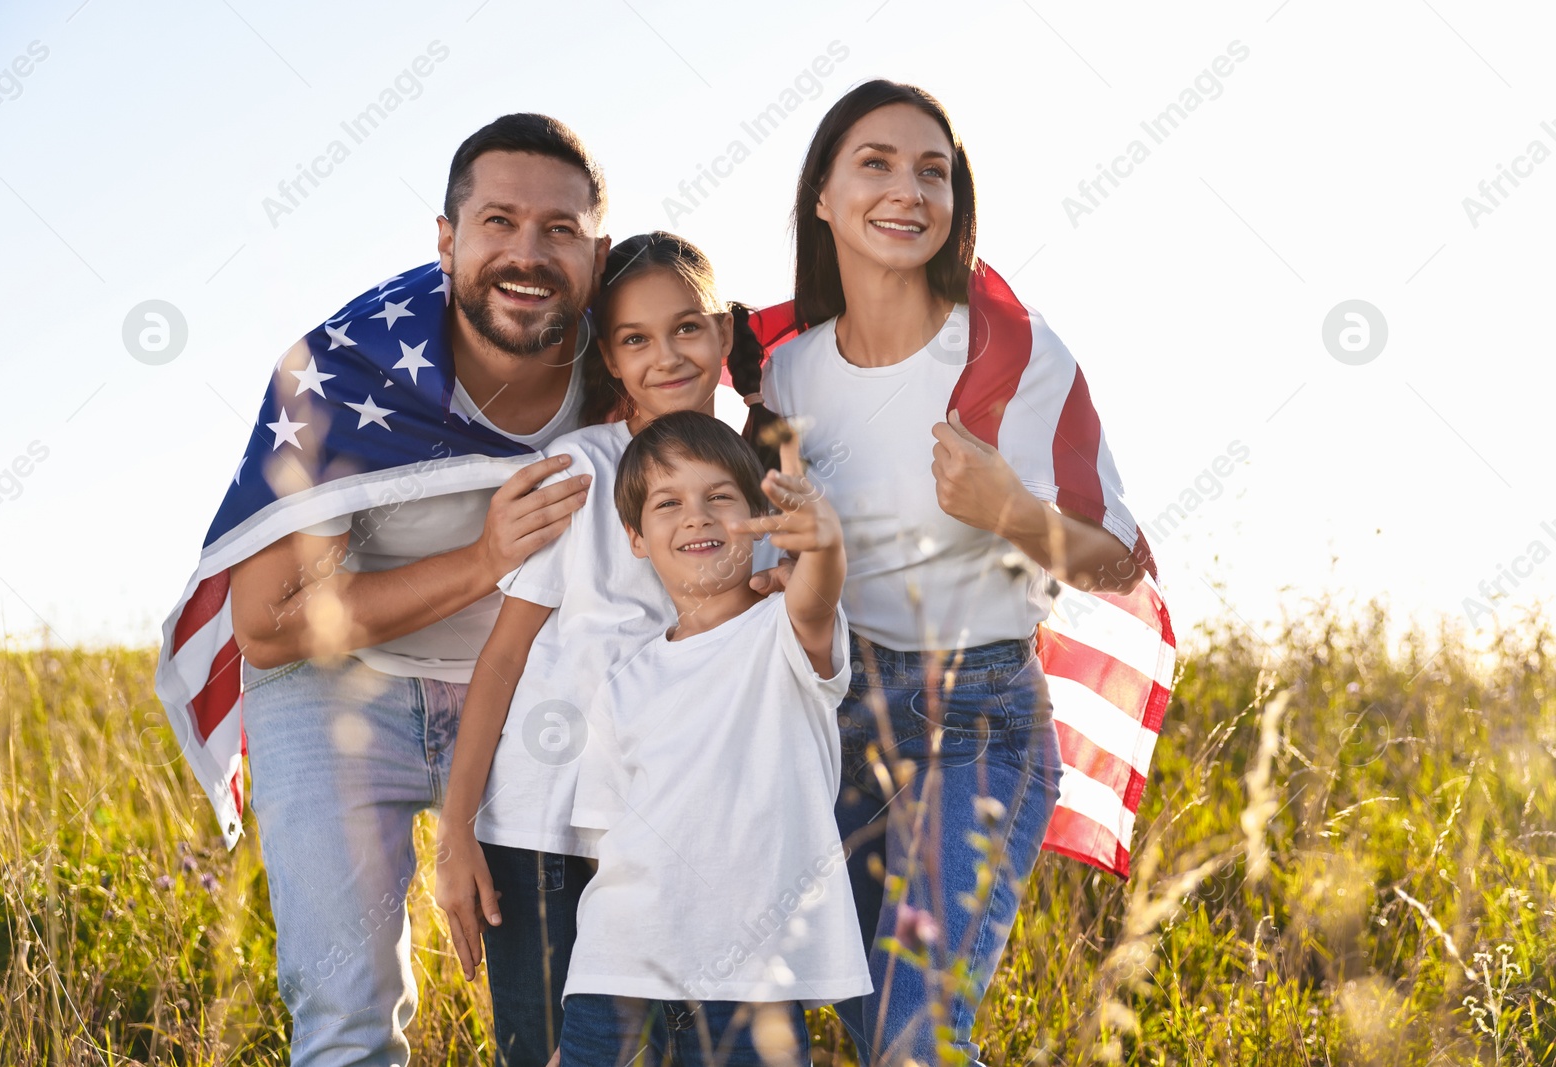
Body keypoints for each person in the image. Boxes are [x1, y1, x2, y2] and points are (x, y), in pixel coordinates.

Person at [194, 114, 608, 1067]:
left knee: (565, 1015)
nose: (527, 254)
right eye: (497, 221)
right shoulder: (349, 366)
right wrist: (482, 558)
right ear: (446, 239)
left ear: (599, 250)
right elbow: (267, 625)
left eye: (559, 230)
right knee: (347, 1014)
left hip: (527, 692)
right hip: (341, 684)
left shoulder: (623, 356)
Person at [756, 80, 1152, 1065]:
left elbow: (1116, 559)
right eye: (876, 163)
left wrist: (1010, 511)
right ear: (822, 194)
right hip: (836, 719)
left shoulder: (1009, 353)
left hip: (975, 716)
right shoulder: (787, 371)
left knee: (909, 1035)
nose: (908, 190)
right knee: (862, 1018)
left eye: (933, 170)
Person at [432, 232, 783, 1063]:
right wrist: (456, 833)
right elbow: (505, 657)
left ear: (724, 338)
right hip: (548, 839)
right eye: (636, 338)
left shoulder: (763, 489)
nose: (667, 355)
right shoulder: (581, 471)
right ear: (611, 359)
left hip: (687, 836)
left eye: (688, 328)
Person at [553, 410, 871, 1067]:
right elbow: (605, 838)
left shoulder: (784, 633)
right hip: (619, 957)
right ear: (637, 538)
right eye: (668, 503)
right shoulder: (624, 681)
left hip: (749, 963)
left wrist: (825, 541)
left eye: (719, 497)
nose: (696, 516)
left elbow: (817, 591)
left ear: (759, 517)